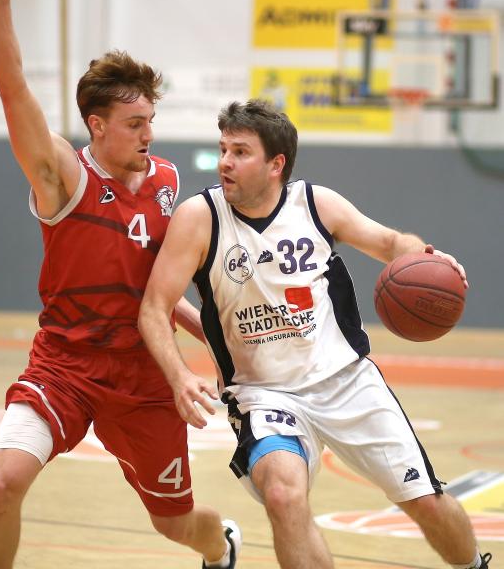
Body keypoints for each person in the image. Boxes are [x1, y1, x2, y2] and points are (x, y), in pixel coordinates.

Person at [0, 0, 241, 568]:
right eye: (135, 124)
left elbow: (158, 295)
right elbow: (13, 90)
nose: (150, 134)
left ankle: (221, 544)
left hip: (144, 376)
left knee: (176, 524)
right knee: (1, 483)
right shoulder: (62, 176)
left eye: (151, 121)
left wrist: (223, 344)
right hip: (64, 365)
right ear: (98, 126)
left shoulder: (169, 183)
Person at [138, 98, 493, 569]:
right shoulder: (199, 218)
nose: (225, 162)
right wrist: (180, 374)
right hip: (264, 394)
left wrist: (424, 256)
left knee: (425, 501)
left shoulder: (314, 203)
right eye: (223, 149)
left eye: (240, 152)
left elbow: (391, 242)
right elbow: (153, 307)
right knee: (283, 496)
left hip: (346, 381)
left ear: (275, 164)